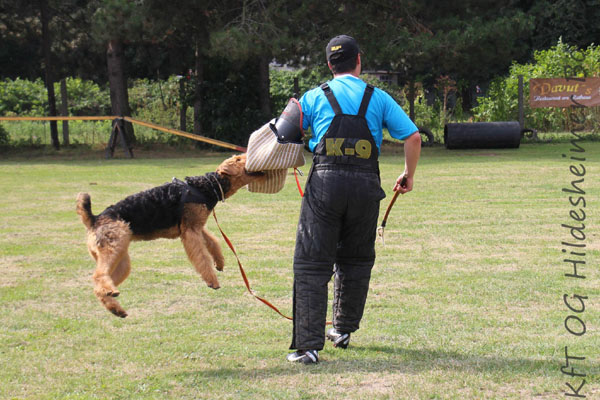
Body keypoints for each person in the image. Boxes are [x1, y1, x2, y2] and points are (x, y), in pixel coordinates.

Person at [286, 35, 421, 364]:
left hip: (325, 186)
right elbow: (413, 136)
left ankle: (307, 347)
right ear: (359, 60)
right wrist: (408, 174)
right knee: (356, 260)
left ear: (330, 65)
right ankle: (343, 329)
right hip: (365, 187)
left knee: (312, 263)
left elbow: (286, 133)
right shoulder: (379, 98)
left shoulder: (314, 96)